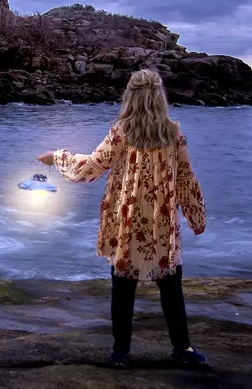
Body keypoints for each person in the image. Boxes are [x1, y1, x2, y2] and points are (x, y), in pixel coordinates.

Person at [38, 69, 209, 370]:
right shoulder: (173, 131)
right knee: (170, 284)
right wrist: (196, 215)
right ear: (160, 96)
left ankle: (121, 352)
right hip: (161, 219)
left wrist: (58, 156)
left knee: (123, 284)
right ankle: (182, 348)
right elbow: (186, 178)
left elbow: (93, 166)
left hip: (127, 217)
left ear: (130, 96)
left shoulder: (122, 131)